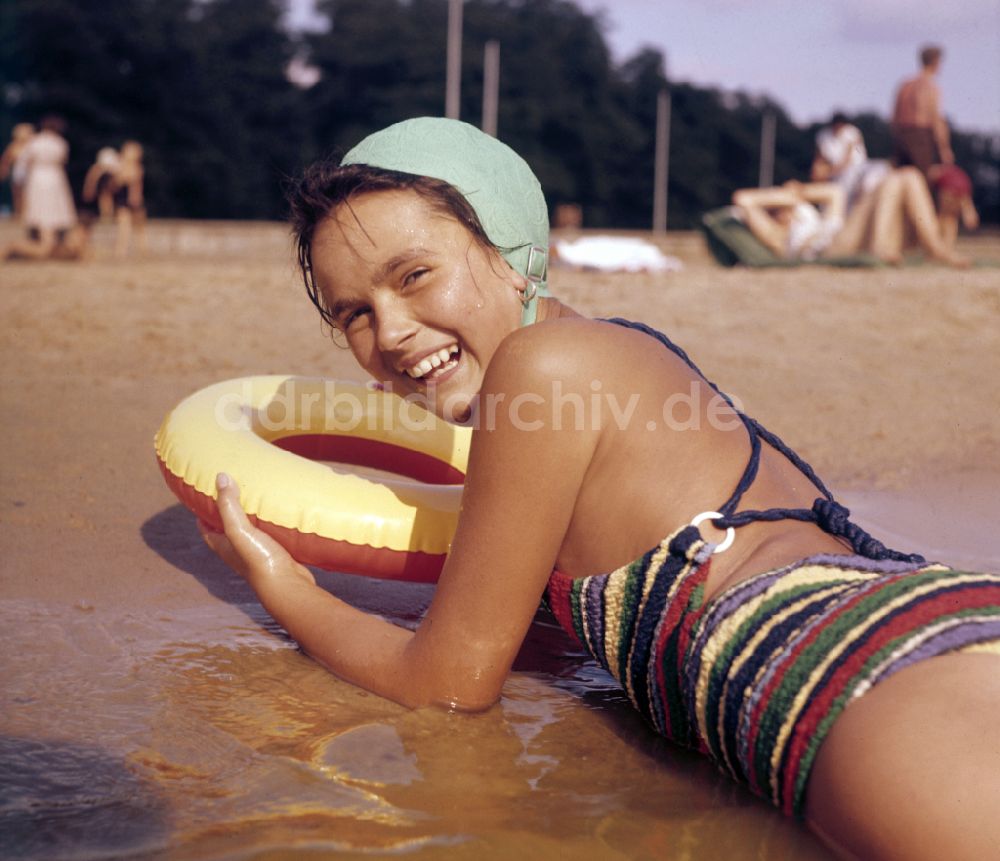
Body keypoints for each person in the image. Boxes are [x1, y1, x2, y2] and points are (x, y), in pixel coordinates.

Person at [198, 118, 1000, 860]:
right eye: (355, 315)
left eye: (414, 275)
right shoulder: (601, 357)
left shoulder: (537, 369)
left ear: (512, 252)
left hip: (840, 662)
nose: (392, 330)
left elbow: (446, 686)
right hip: (926, 609)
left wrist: (285, 587)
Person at [732, 170, 967, 267]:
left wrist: (797, 195)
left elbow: (834, 192)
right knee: (898, 178)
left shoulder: (810, 215)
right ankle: (932, 248)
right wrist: (785, 199)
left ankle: (935, 247)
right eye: (776, 209)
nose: (785, 210)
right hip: (831, 247)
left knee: (909, 175)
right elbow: (742, 198)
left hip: (855, 235)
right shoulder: (777, 235)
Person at [1, 115, 82, 261]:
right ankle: (14, 248)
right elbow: (63, 160)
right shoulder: (60, 143)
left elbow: (23, 163)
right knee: (53, 216)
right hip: (56, 180)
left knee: (41, 215)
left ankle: (38, 245)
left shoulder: (35, 142)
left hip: (37, 180)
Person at [891, 45, 953, 182]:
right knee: (922, 182)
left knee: (901, 180)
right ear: (936, 62)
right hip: (921, 138)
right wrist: (945, 149)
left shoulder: (905, 85)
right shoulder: (931, 87)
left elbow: (894, 116)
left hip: (901, 136)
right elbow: (936, 119)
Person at [811, 112, 889, 211]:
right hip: (834, 170)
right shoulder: (823, 136)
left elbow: (847, 159)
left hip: (855, 167)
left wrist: (830, 172)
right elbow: (819, 157)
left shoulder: (851, 132)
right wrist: (818, 171)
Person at [111, 140, 146, 258]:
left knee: (139, 227)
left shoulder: (137, 168)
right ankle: (120, 250)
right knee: (123, 227)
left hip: (134, 200)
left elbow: (137, 186)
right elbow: (115, 184)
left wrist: (136, 199)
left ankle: (142, 250)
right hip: (122, 200)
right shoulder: (119, 166)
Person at [0, 123, 35, 219]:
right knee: (17, 193)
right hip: (18, 172)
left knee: (28, 193)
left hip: (30, 172)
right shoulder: (14, 146)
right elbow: (6, 159)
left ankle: (27, 211)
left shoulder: (32, 146)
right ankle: (18, 211)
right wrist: (4, 170)